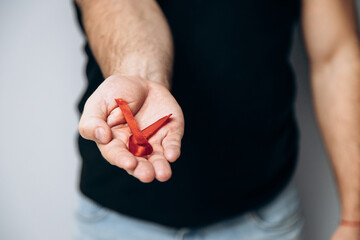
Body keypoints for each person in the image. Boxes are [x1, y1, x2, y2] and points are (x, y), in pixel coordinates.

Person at [74, 0, 360, 239]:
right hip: (118, 219)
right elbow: (121, 7)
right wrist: (142, 77)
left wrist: (354, 219)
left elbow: (337, 55)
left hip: (262, 217)